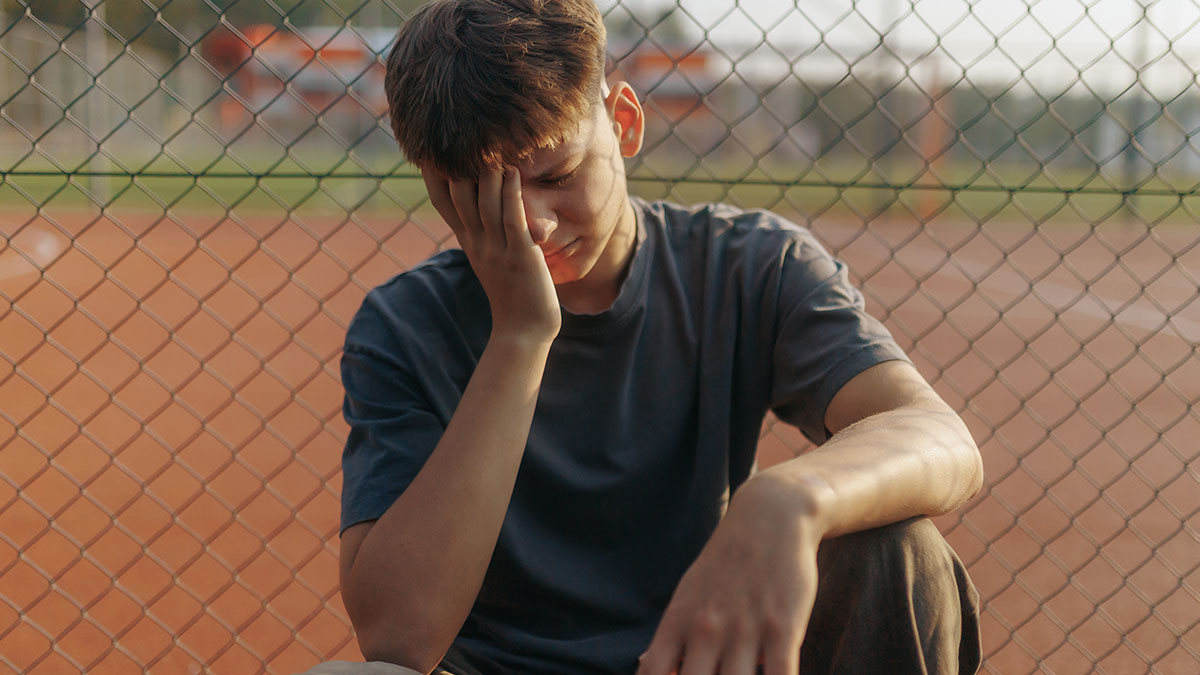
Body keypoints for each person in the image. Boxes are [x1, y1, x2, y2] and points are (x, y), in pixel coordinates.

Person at [304, 1, 985, 673]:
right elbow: (398, 635)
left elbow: (939, 438)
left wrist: (788, 499)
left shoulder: (746, 266)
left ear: (623, 122)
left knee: (898, 549)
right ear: (430, 180)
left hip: (701, 656)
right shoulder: (404, 325)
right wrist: (518, 337)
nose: (532, 223)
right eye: (479, 193)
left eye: (557, 176)